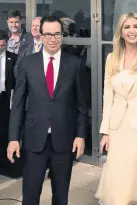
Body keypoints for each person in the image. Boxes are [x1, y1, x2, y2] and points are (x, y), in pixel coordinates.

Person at [7, 16, 88, 205]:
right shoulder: (28, 63)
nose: (53, 39)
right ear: (41, 35)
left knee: (61, 196)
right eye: (48, 34)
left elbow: (81, 105)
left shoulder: (75, 64)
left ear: (62, 35)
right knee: (31, 194)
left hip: (64, 140)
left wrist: (80, 135)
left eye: (57, 34)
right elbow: (18, 104)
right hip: (34, 139)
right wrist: (13, 139)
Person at [95, 12, 137, 205]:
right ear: (121, 31)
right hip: (118, 128)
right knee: (118, 177)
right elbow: (108, 97)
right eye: (127, 27)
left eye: (136, 26)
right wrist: (105, 132)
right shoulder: (112, 58)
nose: (132, 31)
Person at [0, 30, 17, 165]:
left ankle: (4, 156)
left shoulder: (13, 57)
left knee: (5, 126)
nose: (0, 48)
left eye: (2, 45)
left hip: (6, 97)